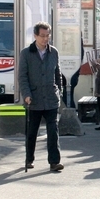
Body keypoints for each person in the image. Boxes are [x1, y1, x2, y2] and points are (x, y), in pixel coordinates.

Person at [18, 22, 65, 172]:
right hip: (34, 98)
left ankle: (54, 161)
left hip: (51, 98)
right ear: (35, 36)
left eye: (47, 36)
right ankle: (29, 158)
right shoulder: (26, 53)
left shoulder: (53, 52)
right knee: (32, 131)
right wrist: (26, 94)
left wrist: (59, 91)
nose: (45, 39)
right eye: (42, 36)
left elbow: (58, 74)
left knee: (53, 131)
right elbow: (22, 77)